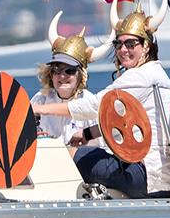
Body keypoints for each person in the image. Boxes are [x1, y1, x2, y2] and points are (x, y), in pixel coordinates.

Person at [32, 0, 170, 199]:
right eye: (118, 44)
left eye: (131, 44)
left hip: (144, 177)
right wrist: (86, 135)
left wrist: (39, 110)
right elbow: (121, 119)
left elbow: (96, 106)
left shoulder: (141, 75)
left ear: (146, 46)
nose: (123, 50)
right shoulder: (157, 73)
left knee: (70, 154)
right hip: (167, 182)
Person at [31, 11, 113, 148]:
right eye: (56, 69)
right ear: (51, 74)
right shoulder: (39, 99)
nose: (62, 76)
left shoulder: (89, 101)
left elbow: (100, 147)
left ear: (80, 76)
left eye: (69, 71)